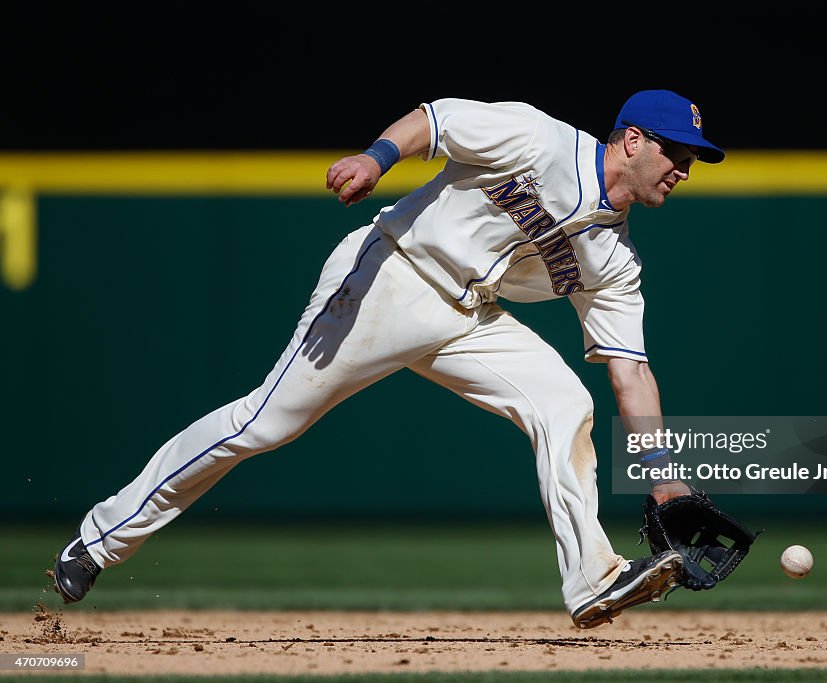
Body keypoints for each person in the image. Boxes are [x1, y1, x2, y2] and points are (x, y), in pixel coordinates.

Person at [51, 89, 726, 629]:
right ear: (632, 139)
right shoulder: (539, 138)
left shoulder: (616, 260)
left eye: (694, 158)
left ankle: (594, 578)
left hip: (470, 316)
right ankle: (99, 538)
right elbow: (437, 121)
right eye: (678, 151)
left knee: (565, 403)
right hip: (391, 274)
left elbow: (630, 370)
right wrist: (377, 159)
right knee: (264, 423)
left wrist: (664, 478)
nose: (685, 168)